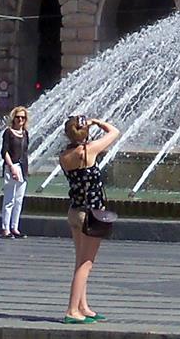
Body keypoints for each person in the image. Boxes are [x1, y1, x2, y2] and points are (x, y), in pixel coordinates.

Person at [60, 114, 120, 323]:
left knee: (80, 261)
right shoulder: (89, 150)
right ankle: (71, 311)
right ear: (85, 132)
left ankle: (82, 307)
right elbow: (115, 132)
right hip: (91, 214)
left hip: (74, 212)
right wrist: (97, 122)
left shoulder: (64, 155)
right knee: (86, 263)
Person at [1, 106, 31, 239]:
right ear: (13, 118)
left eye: (23, 118)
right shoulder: (8, 132)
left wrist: (25, 170)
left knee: (19, 199)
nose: (20, 120)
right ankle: (5, 228)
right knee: (9, 199)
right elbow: (4, 151)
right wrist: (11, 167)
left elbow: (25, 152)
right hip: (11, 166)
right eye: (18, 117)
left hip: (22, 169)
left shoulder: (25, 133)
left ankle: (15, 227)